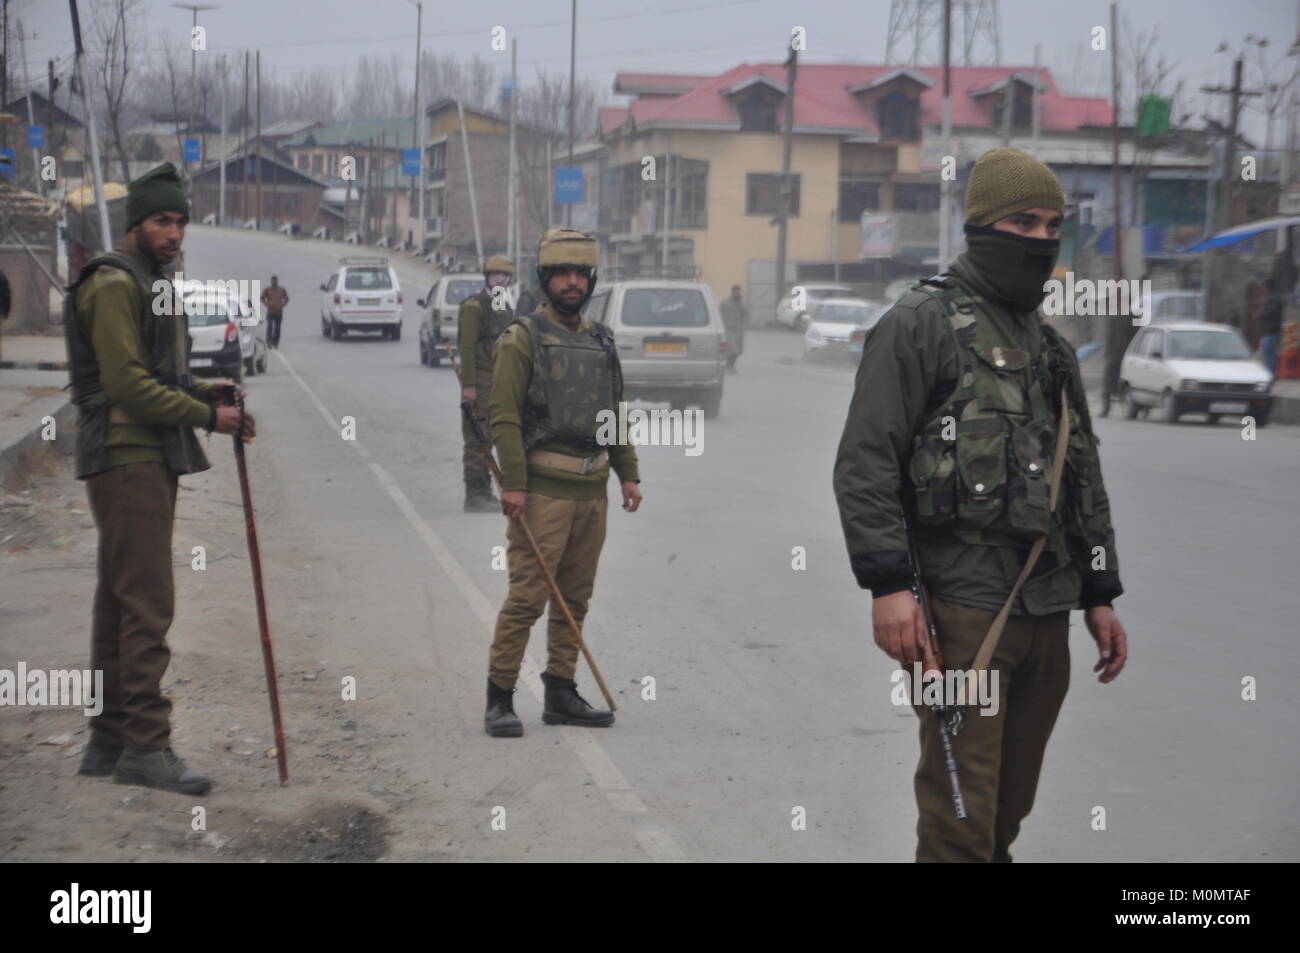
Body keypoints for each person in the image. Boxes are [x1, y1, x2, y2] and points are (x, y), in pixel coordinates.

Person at [833, 147, 1129, 862]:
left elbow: (1081, 476)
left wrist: (1098, 590)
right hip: (963, 612)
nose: (1039, 239)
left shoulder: (1053, 348)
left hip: (1046, 613)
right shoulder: (920, 324)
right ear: (981, 226)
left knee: (1003, 817)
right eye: (1022, 221)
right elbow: (865, 463)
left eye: (1053, 224)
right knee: (961, 823)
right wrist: (889, 585)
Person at [63, 162, 256, 796]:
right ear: (136, 224)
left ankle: (109, 739)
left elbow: (158, 374)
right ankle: (146, 747)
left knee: (118, 599)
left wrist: (206, 389)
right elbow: (126, 384)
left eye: (180, 222)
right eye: (162, 221)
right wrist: (209, 415)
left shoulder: (153, 278)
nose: (174, 233)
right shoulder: (115, 283)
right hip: (127, 455)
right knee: (147, 602)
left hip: (142, 451)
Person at [483, 228, 642, 737]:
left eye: (581, 274)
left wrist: (628, 473)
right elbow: (503, 416)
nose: (572, 283)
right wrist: (513, 482)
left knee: (574, 598)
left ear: (591, 279)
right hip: (541, 491)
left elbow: (614, 411)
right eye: (562, 274)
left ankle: (560, 690)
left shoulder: (601, 339)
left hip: (591, 492)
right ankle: (500, 696)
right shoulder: (522, 338)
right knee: (528, 597)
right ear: (545, 279)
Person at [458, 255, 519, 512]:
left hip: (501, 377)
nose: (499, 280)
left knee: (494, 434)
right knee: (478, 434)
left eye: (503, 276)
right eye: (494, 275)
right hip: (481, 378)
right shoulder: (474, 306)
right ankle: (475, 493)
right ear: (486, 277)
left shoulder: (505, 305)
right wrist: (468, 385)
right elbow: (468, 346)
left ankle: (486, 489)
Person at [719, 284, 747, 372]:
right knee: (732, 350)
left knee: (737, 351)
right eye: (735, 292)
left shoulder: (741, 304)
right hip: (728, 329)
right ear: (732, 292)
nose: (737, 293)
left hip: (738, 331)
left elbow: (745, 314)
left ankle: (731, 366)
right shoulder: (725, 303)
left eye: (738, 292)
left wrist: (739, 303)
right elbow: (720, 315)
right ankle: (728, 366)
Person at [260, 275, 289, 349]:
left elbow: (286, 298)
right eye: (273, 281)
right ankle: (269, 341)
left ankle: (275, 343)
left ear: (277, 281)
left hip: (279, 312)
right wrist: (267, 304)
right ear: (271, 281)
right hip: (270, 312)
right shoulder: (267, 290)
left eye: (275, 281)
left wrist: (282, 305)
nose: (274, 282)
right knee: (270, 326)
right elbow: (262, 298)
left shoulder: (282, 290)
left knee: (277, 328)